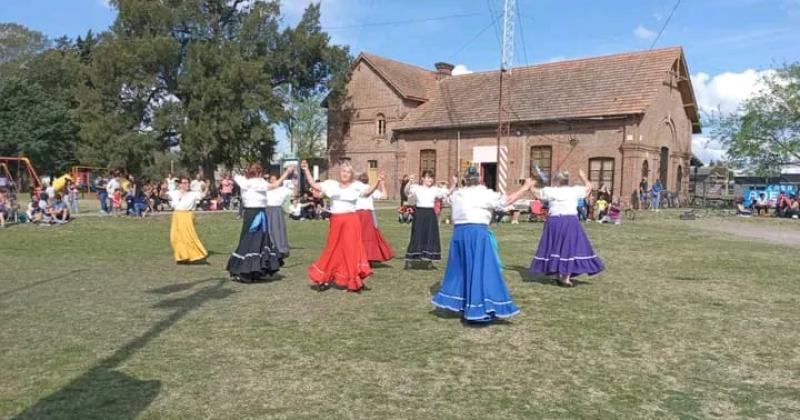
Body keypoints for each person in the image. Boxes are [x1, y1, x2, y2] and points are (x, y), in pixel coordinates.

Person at [431, 168, 533, 322]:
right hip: (477, 233)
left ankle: (463, 303)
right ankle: (476, 307)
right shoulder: (484, 194)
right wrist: (525, 188)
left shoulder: (458, 194)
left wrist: (453, 184)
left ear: (466, 180)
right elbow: (507, 201)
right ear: (479, 180)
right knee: (481, 269)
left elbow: (446, 199)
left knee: (461, 269)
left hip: (460, 234)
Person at [301, 160, 381, 292]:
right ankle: (323, 277)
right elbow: (314, 185)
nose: (345, 174)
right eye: (343, 171)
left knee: (352, 250)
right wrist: (306, 170)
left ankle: (353, 280)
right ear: (340, 172)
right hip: (337, 221)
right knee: (332, 249)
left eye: (348, 172)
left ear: (351, 174)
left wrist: (377, 182)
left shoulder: (357, 185)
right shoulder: (331, 184)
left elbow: (367, 192)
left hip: (351, 221)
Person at [529, 170, 605, 287]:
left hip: (555, 221)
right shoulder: (574, 190)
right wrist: (583, 177)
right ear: (566, 180)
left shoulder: (550, 191)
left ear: (557, 181)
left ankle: (557, 274)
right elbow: (589, 188)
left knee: (554, 246)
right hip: (569, 220)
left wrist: (531, 184)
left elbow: (536, 194)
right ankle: (564, 277)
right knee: (568, 247)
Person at [226, 164, 293, 282]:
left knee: (252, 239)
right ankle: (247, 270)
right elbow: (275, 185)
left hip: (249, 213)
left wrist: (236, 172)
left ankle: (254, 269)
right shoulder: (258, 182)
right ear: (259, 173)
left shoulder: (243, 181)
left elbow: (235, 176)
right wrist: (287, 172)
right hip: (258, 213)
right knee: (256, 240)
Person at [403, 171, 451, 267]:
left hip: (430, 214)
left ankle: (430, 259)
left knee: (430, 236)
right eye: (428, 177)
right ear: (423, 178)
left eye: (431, 178)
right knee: (417, 235)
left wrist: (453, 184)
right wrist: (409, 182)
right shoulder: (417, 188)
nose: (430, 180)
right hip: (419, 213)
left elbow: (446, 193)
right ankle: (410, 259)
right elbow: (406, 192)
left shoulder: (435, 189)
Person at [355, 173, 394, 263]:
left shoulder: (360, 187)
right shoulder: (363, 187)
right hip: (367, 213)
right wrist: (381, 183)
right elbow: (384, 196)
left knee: (361, 235)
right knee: (370, 235)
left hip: (361, 213)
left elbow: (384, 196)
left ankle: (362, 257)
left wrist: (381, 182)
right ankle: (367, 257)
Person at [167, 176, 207, 263]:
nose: (187, 185)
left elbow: (203, 195)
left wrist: (206, 188)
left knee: (188, 236)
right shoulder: (174, 193)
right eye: (184, 183)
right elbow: (162, 195)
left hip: (187, 216)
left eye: (188, 183)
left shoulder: (193, 194)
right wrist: (162, 190)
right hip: (177, 216)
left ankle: (195, 255)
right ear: (180, 184)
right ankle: (181, 256)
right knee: (176, 237)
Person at [265, 174, 294, 259]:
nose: (273, 181)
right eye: (271, 179)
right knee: (268, 229)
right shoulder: (267, 189)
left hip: (277, 210)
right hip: (267, 209)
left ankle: (281, 248)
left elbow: (294, 193)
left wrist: (293, 184)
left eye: (275, 179)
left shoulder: (283, 190)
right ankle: (270, 247)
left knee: (278, 229)